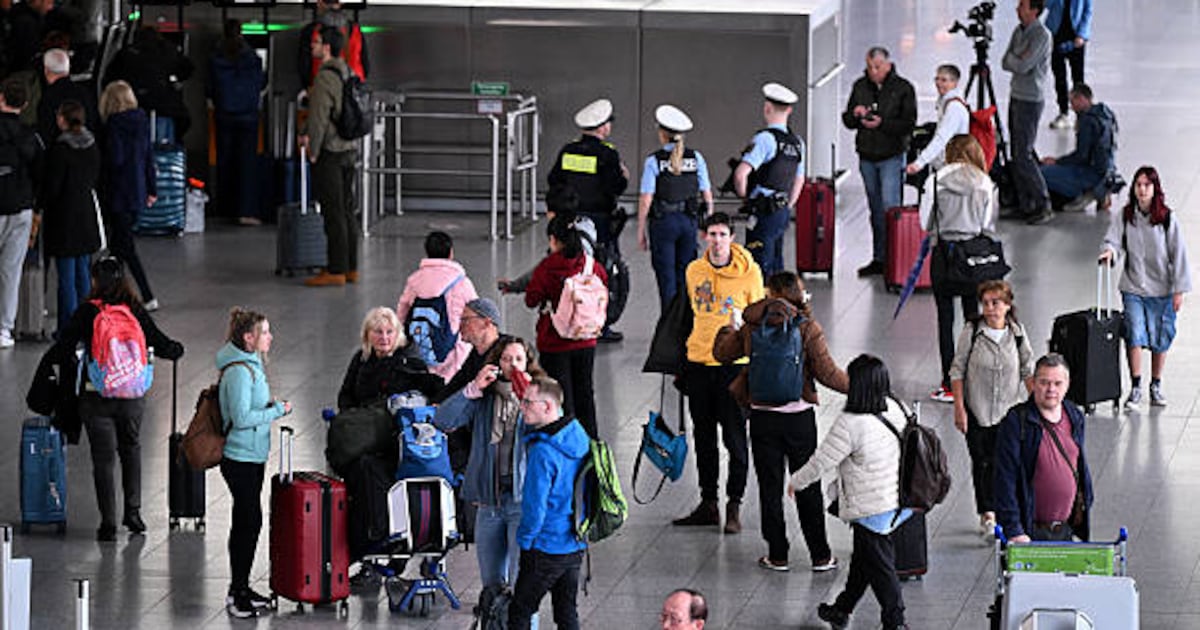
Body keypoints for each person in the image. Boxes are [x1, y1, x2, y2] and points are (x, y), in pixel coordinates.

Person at [713, 271, 847, 572]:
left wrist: (727, 327)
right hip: (799, 419)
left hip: (762, 419)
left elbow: (722, 354)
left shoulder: (751, 326)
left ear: (769, 293)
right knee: (807, 485)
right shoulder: (807, 327)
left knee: (769, 488)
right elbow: (828, 374)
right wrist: (864, 386)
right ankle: (821, 555)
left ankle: (778, 555)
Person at [49, 257, 184, 541]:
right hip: (132, 396)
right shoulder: (134, 309)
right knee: (131, 450)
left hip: (95, 396)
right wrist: (175, 349)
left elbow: (62, 348)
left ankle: (108, 523)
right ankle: (133, 513)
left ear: (95, 280)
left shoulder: (87, 312)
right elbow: (161, 343)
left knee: (103, 459)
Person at [787, 354, 910, 630]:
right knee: (864, 560)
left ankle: (896, 621)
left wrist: (797, 481)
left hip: (870, 507)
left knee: (880, 566)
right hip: (897, 499)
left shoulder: (851, 422)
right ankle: (841, 609)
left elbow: (822, 460)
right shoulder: (895, 406)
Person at [673, 212, 764, 533]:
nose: (716, 240)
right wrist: (680, 365)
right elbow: (685, 317)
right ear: (703, 237)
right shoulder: (694, 270)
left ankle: (734, 504)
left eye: (722, 234)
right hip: (699, 364)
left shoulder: (750, 273)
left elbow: (760, 323)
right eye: (711, 234)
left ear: (732, 238)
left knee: (736, 439)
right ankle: (708, 502)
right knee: (704, 437)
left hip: (733, 369)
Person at [433, 337, 543, 593]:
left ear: (528, 363)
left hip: (522, 500)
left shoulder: (541, 392)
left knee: (522, 587)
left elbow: (552, 430)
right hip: (488, 502)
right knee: (491, 585)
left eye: (518, 359)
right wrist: (472, 388)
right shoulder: (484, 397)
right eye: (506, 359)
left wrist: (530, 400)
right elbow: (442, 420)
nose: (512, 365)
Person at [216, 307, 291, 617]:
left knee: (248, 521)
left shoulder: (251, 363)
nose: (270, 337)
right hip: (240, 457)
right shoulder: (238, 371)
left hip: (253, 455)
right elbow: (241, 417)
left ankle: (242, 587)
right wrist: (278, 411)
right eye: (265, 332)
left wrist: (268, 406)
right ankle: (237, 593)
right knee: (248, 522)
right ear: (249, 338)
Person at [1099, 166, 1191, 409]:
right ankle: (1136, 385)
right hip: (1134, 287)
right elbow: (1114, 239)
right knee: (1135, 333)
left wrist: (1179, 290)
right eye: (1138, 185)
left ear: (1154, 188)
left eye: (1146, 185)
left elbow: (1178, 255)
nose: (1142, 189)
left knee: (1161, 338)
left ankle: (1156, 385)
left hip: (1162, 289)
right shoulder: (1126, 215)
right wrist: (1109, 252)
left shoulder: (1167, 219)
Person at [948, 280, 1035, 537]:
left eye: (995, 302)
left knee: (1006, 463)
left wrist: (1036, 405)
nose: (990, 308)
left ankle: (1006, 510)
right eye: (985, 303)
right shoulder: (972, 331)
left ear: (1007, 305)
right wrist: (959, 408)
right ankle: (987, 513)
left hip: (1008, 412)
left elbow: (1027, 369)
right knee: (982, 463)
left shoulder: (1017, 333)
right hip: (978, 412)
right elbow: (957, 369)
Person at [920, 135, 998, 403]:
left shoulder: (935, 181)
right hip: (973, 258)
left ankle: (949, 383)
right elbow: (987, 225)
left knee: (945, 320)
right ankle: (973, 379)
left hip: (944, 255)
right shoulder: (985, 183)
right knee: (973, 317)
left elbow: (925, 221)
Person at [507, 376, 589, 630]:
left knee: (520, 611)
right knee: (566, 612)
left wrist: (526, 541)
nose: (522, 407)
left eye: (528, 403)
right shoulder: (578, 435)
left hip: (545, 546)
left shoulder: (543, 452)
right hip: (574, 542)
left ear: (548, 407)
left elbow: (535, 507)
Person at [993, 353, 1094, 543]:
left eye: (1057, 383)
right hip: (1028, 533)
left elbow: (1079, 465)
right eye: (1044, 382)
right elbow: (1004, 480)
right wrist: (1014, 529)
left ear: (1067, 384)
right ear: (1033, 382)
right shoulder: (1017, 422)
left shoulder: (1074, 416)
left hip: (1065, 530)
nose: (1051, 389)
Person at [525, 214, 607, 439]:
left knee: (561, 398)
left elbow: (531, 299)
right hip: (586, 337)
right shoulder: (592, 265)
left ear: (553, 239)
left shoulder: (548, 267)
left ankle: (568, 447)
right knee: (585, 394)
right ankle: (592, 448)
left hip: (554, 342)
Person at [842, 46, 917, 277]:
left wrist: (882, 123)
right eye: (869, 67)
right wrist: (855, 115)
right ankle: (880, 258)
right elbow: (847, 120)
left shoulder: (903, 88)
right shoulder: (860, 86)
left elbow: (908, 124)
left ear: (887, 64)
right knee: (875, 210)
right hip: (867, 155)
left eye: (877, 67)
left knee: (890, 208)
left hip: (892, 157)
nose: (873, 71)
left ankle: (897, 259)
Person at [299, 26, 360, 287]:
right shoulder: (347, 70)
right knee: (347, 209)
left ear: (326, 47)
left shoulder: (325, 76)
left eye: (316, 41)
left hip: (332, 151)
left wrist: (312, 148)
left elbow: (319, 118)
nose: (312, 45)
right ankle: (350, 267)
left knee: (333, 212)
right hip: (349, 148)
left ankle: (335, 270)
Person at [637, 104, 712, 310]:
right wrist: (708, 225)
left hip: (663, 223)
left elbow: (646, 198)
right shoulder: (696, 158)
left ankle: (668, 327)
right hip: (689, 221)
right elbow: (707, 194)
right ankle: (685, 324)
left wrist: (640, 230)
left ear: (662, 134)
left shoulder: (654, 161)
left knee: (666, 276)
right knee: (687, 275)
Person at [40, 100, 101, 334]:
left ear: (63, 119)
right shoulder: (92, 145)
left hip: (64, 218)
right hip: (85, 214)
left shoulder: (60, 149)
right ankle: (86, 324)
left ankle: (67, 327)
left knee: (65, 277)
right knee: (83, 274)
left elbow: (53, 187)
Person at [98, 80, 159, 311]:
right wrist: (152, 189)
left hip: (117, 192)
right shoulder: (142, 121)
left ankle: (146, 294)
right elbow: (148, 158)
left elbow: (116, 159)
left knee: (125, 248)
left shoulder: (113, 126)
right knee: (119, 246)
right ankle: (110, 293)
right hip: (138, 191)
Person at [734, 83, 804, 278]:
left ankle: (762, 306)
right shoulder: (797, 142)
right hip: (781, 209)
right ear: (789, 110)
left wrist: (744, 197)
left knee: (757, 265)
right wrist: (788, 204)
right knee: (776, 262)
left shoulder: (765, 139)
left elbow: (741, 174)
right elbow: (799, 178)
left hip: (762, 209)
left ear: (767, 108)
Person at [395, 231, 479, 381]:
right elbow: (477, 311)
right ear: (450, 253)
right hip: (453, 349)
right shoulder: (461, 282)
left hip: (422, 345)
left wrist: (399, 335)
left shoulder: (415, 280)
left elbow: (403, 308)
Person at [208, 19, 267, 225]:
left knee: (224, 161)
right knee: (247, 164)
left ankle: (225, 208)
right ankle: (246, 211)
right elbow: (262, 83)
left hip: (223, 114)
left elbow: (209, 87)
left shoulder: (216, 57)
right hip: (249, 116)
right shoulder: (252, 57)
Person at [1002, 0, 1053, 225]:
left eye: (1022, 5)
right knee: (1017, 151)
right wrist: (1018, 58)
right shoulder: (1018, 30)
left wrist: (1018, 58)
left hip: (1030, 100)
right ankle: (1024, 204)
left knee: (1023, 154)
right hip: (1016, 95)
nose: (1017, 8)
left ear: (1034, 10)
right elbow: (1006, 61)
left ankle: (1042, 202)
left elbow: (1023, 66)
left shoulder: (1041, 35)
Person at [0, 76, 41, 349]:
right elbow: (40, 174)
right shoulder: (31, 137)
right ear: (25, 104)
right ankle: (4, 329)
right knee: (11, 272)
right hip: (22, 209)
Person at [337, 306, 443, 410]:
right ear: (367, 334)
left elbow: (430, 390)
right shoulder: (362, 357)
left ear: (397, 334)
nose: (384, 337)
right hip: (364, 417)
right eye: (378, 332)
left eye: (389, 332)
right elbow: (346, 394)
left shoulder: (409, 360)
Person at [104, 26, 194, 139]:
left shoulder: (127, 53)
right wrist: (174, 79)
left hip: (135, 106)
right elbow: (188, 68)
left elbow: (110, 76)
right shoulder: (169, 50)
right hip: (164, 105)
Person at [1039, 83, 1118, 212]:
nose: (1071, 107)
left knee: (1042, 174)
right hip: (1107, 170)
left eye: (1073, 101)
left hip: (1090, 174)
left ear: (1082, 98)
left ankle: (1084, 193)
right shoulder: (1106, 115)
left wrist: (1056, 162)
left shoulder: (1087, 121)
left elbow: (1081, 156)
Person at [905, 64, 969, 176]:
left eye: (944, 80)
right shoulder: (946, 103)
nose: (938, 83)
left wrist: (920, 162)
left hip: (952, 168)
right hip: (949, 166)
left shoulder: (954, 107)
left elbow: (942, 138)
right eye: (937, 79)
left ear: (954, 83)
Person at [1044, 0, 1093, 130]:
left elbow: (1087, 12)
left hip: (1076, 36)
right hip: (1056, 34)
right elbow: (1046, 5)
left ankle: (1081, 114)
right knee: (1059, 77)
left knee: (1078, 77)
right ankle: (1063, 112)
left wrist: (1082, 35)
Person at [296, 0, 368, 88]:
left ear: (320, 4)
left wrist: (308, 87)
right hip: (354, 87)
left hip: (321, 85)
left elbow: (304, 66)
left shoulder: (311, 31)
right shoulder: (355, 29)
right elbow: (365, 64)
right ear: (340, 4)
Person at [36, 48, 97, 146]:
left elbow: (45, 133)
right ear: (68, 68)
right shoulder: (85, 93)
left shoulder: (47, 98)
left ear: (46, 70)